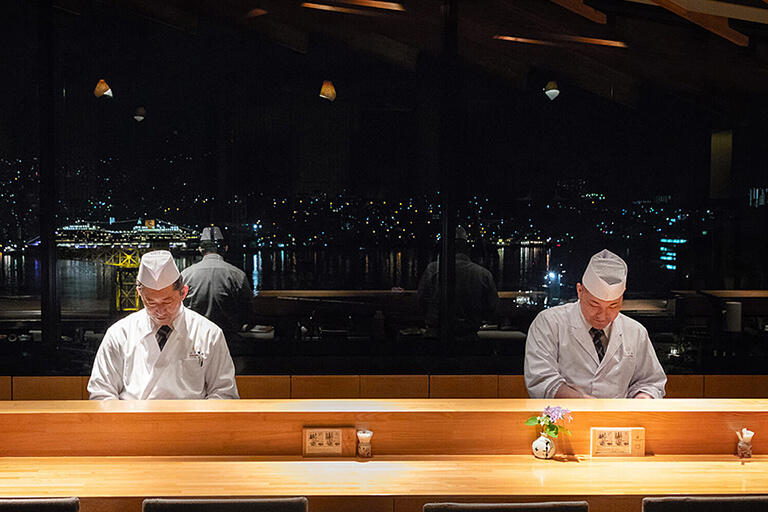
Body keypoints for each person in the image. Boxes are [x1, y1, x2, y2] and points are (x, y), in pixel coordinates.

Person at [88, 250, 239, 400]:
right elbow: (101, 393)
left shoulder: (209, 333)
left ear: (183, 293)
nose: (160, 311)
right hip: (133, 420)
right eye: (150, 302)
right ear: (139, 294)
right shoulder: (119, 334)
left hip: (190, 421)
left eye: (167, 302)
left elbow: (224, 393)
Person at [524, 249, 666, 399]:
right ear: (580, 291)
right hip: (565, 418)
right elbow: (542, 379)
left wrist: (642, 399)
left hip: (619, 420)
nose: (603, 316)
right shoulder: (550, 323)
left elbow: (650, 382)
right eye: (594, 305)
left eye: (613, 306)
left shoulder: (635, 331)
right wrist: (585, 404)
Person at [418, 227, 499, 339]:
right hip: (468, 338)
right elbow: (492, 307)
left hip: (436, 337)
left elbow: (421, 300)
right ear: (467, 248)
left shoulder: (432, 270)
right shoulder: (483, 274)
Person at [181, 226, 255, 343]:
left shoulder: (186, 275)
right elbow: (248, 309)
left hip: (196, 339)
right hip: (229, 340)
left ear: (201, 249)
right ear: (225, 249)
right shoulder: (237, 275)